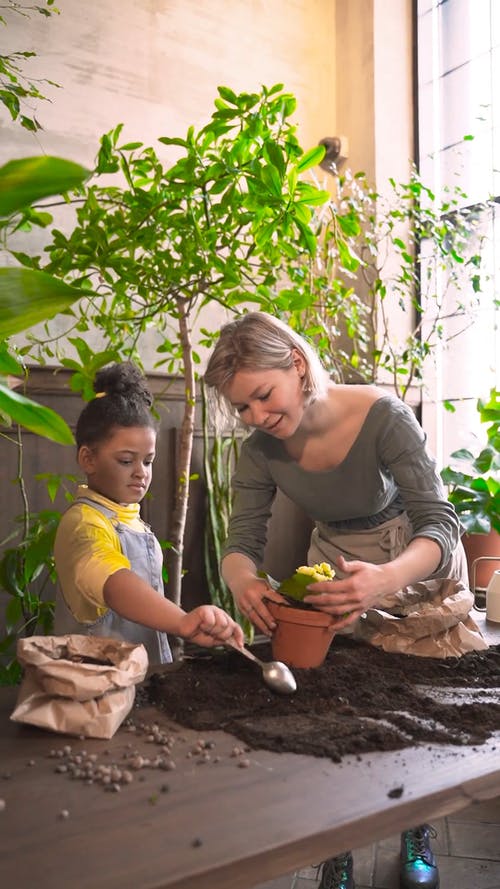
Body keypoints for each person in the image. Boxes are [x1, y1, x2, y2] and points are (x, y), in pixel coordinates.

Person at [204, 311, 487, 889]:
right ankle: (342, 840)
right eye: (242, 408)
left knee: (415, 700)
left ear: (298, 366)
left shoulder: (384, 416)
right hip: (334, 560)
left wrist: (383, 579)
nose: (257, 417)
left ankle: (418, 826)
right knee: (342, 709)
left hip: (412, 558)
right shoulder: (260, 450)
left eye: (262, 395)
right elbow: (241, 544)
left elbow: (441, 525)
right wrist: (241, 580)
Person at [54, 362, 244, 666]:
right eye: (127, 461)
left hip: (143, 675)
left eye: (149, 461)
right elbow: (115, 585)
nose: (141, 473)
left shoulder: (128, 516)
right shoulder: (84, 524)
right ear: (88, 458)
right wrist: (183, 621)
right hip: (99, 685)